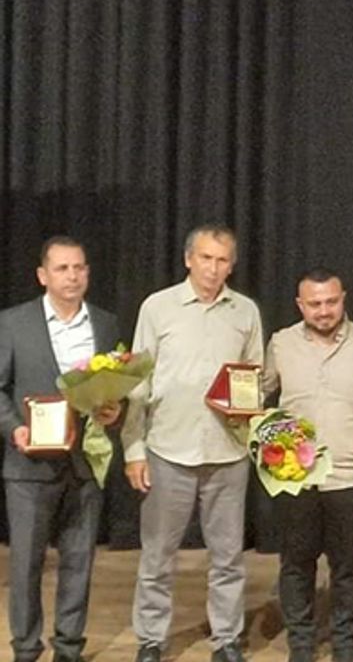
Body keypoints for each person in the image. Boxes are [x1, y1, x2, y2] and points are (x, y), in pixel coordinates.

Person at [121, 224, 264, 662]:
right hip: (168, 450)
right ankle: (151, 639)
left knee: (228, 557)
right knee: (158, 556)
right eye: (205, 258)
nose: (213, 268)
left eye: (222, 260)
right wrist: (134, 450)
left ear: (231, 265)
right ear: (188, 259)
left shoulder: (245, 311)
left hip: (228, 453)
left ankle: (227, 639)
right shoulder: (157, 307)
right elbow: (137, 383)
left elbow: (255, 378)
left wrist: (248, 408)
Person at [0, 236, 122, 662]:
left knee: (79, 561)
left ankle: (69, 648)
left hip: (84, 462)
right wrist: (14, 429)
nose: (72, 276)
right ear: (43, 275)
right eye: (62, 268)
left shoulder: (105, 324)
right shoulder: (13, 323)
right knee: (26, 564)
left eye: (79, 267)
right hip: (28, 466)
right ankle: (26, 648)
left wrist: (113, 411)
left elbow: (113, 390)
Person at [261, 269, 353, 662]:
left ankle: (346, 643)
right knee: (296, 564)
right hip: (296, 476)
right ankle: (301, 643)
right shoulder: (281, 343)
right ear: (300, 305)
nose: (324, 311)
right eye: (315, 304)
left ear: (343, 298)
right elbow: (257, 394)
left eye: (331, 301)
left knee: (349, 566)